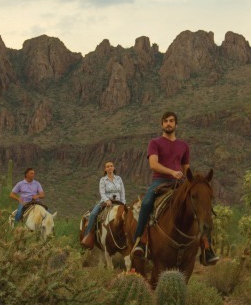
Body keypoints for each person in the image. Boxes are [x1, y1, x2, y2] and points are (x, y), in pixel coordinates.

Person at [133, 111, 218, 264]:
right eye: (165, 121)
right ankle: (140, 241)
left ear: (176, 125)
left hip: (180, 183)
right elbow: (153, 164)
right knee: (146, 204)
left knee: (200, 205)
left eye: (171, 121)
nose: (168, 124)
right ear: (162, 125)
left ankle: (207, 248)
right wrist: (172, 171)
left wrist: (190, 180)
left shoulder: (183, 145)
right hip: (160, 182)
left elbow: (186, 167)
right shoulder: (155, 143)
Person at [82, 161, 126, 240]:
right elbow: (102, 192)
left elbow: (122, 192)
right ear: (105, 169)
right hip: (105, 202)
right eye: (108, 166)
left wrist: (123, 203)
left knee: (129, 215)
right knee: (93, 214)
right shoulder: (103, 180)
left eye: (111, 166)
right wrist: (107, 200)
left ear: (114, 168)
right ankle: (87, 236)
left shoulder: (119, 178)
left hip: (119, 202)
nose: (110, 168)